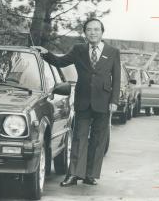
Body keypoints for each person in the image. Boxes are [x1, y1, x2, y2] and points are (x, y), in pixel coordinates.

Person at [41, 18, 120, 186]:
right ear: (85, 33)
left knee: (98, 140)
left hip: (104, 102)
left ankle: (90, 175)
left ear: (102, 32)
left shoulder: (113, 51)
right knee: (79, 138)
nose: (93, 32)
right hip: (83, 100)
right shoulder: (78, 49)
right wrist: (44, 53)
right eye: (89, 29)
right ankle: (74, 175)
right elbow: (60, 62)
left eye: (96, 29)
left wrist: (114, 101)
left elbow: (117, 79)